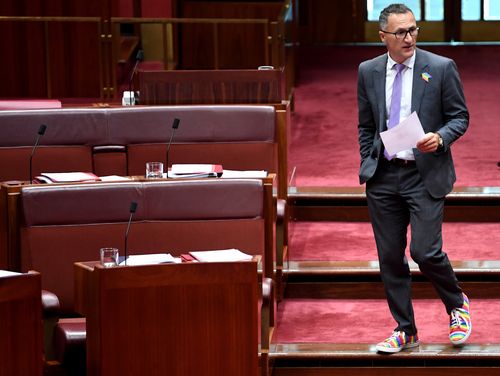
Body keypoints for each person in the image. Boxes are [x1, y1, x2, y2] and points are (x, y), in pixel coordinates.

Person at [357, 3, 471, 353]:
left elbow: (460, 117)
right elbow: (365, 124)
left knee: (424, 250)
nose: (409, 37)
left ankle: (457, 304)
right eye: (401, 32)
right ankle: (405, 329)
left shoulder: (439, 67)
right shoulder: (368, 70)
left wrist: (441, 138)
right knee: (391, 256)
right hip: (385, 175)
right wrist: (368, 158)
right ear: (383, 37)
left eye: (413, 30)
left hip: (424, 174)